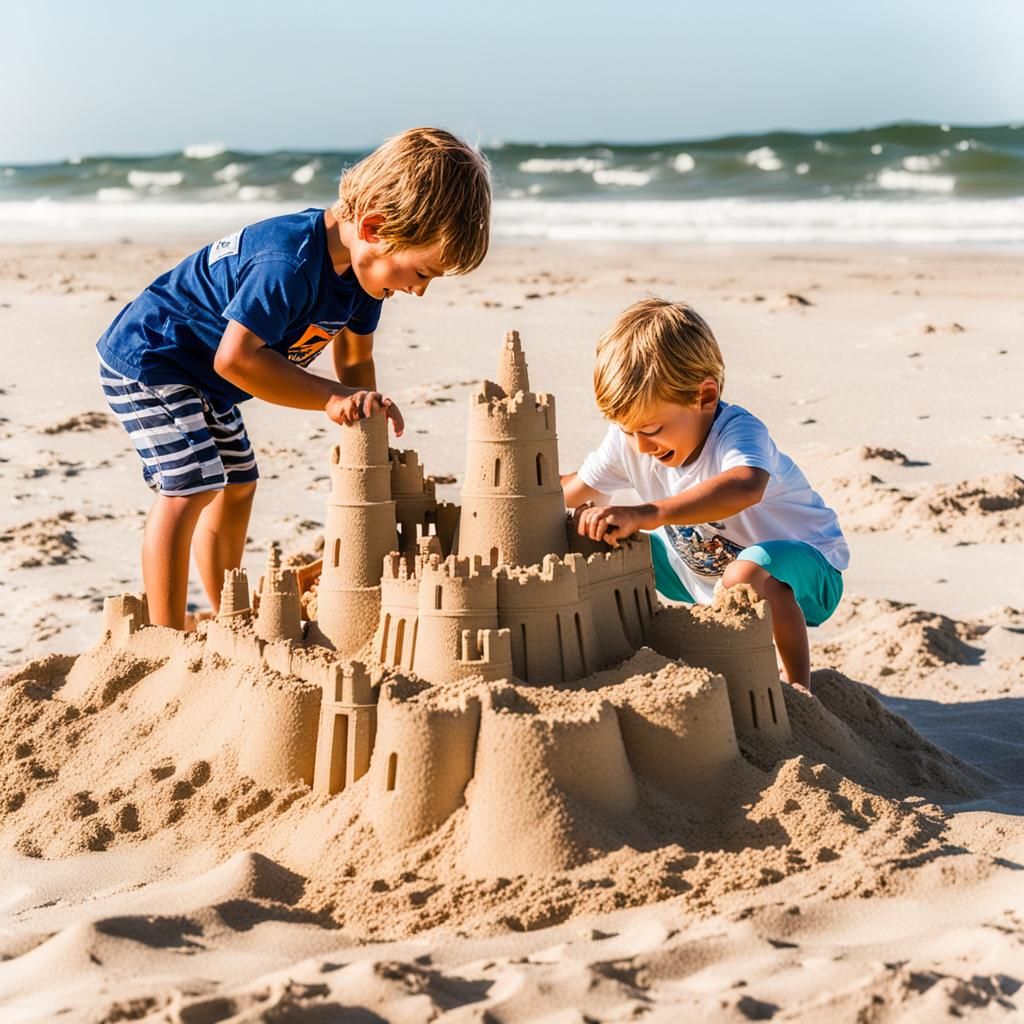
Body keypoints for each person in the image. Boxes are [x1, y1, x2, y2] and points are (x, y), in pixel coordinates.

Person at [97, 127, 491, 629]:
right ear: (374, 229)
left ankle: (227, 610)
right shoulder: (288, 263)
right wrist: (331, 399)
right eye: (422, 272)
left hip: (206, 380)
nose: (420, 290)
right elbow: (236, 360)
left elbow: (354, 362)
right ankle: (164, 631)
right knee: (190, 484)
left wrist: (362, 412)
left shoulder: (366, 279)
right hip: (154, 359)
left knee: (239, 482)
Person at [561, 297, 848, 690]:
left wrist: (650, 513)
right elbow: (570, 492)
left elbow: (746, 486)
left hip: (808, 574)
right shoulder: (629, 441)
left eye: (652, 430)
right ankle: (606, 655)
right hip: (700, 579)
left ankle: (797, 690)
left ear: (705, 397)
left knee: (745, 572)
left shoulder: (738, 431)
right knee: (601, 540)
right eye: (628, 431)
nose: (641, 446)